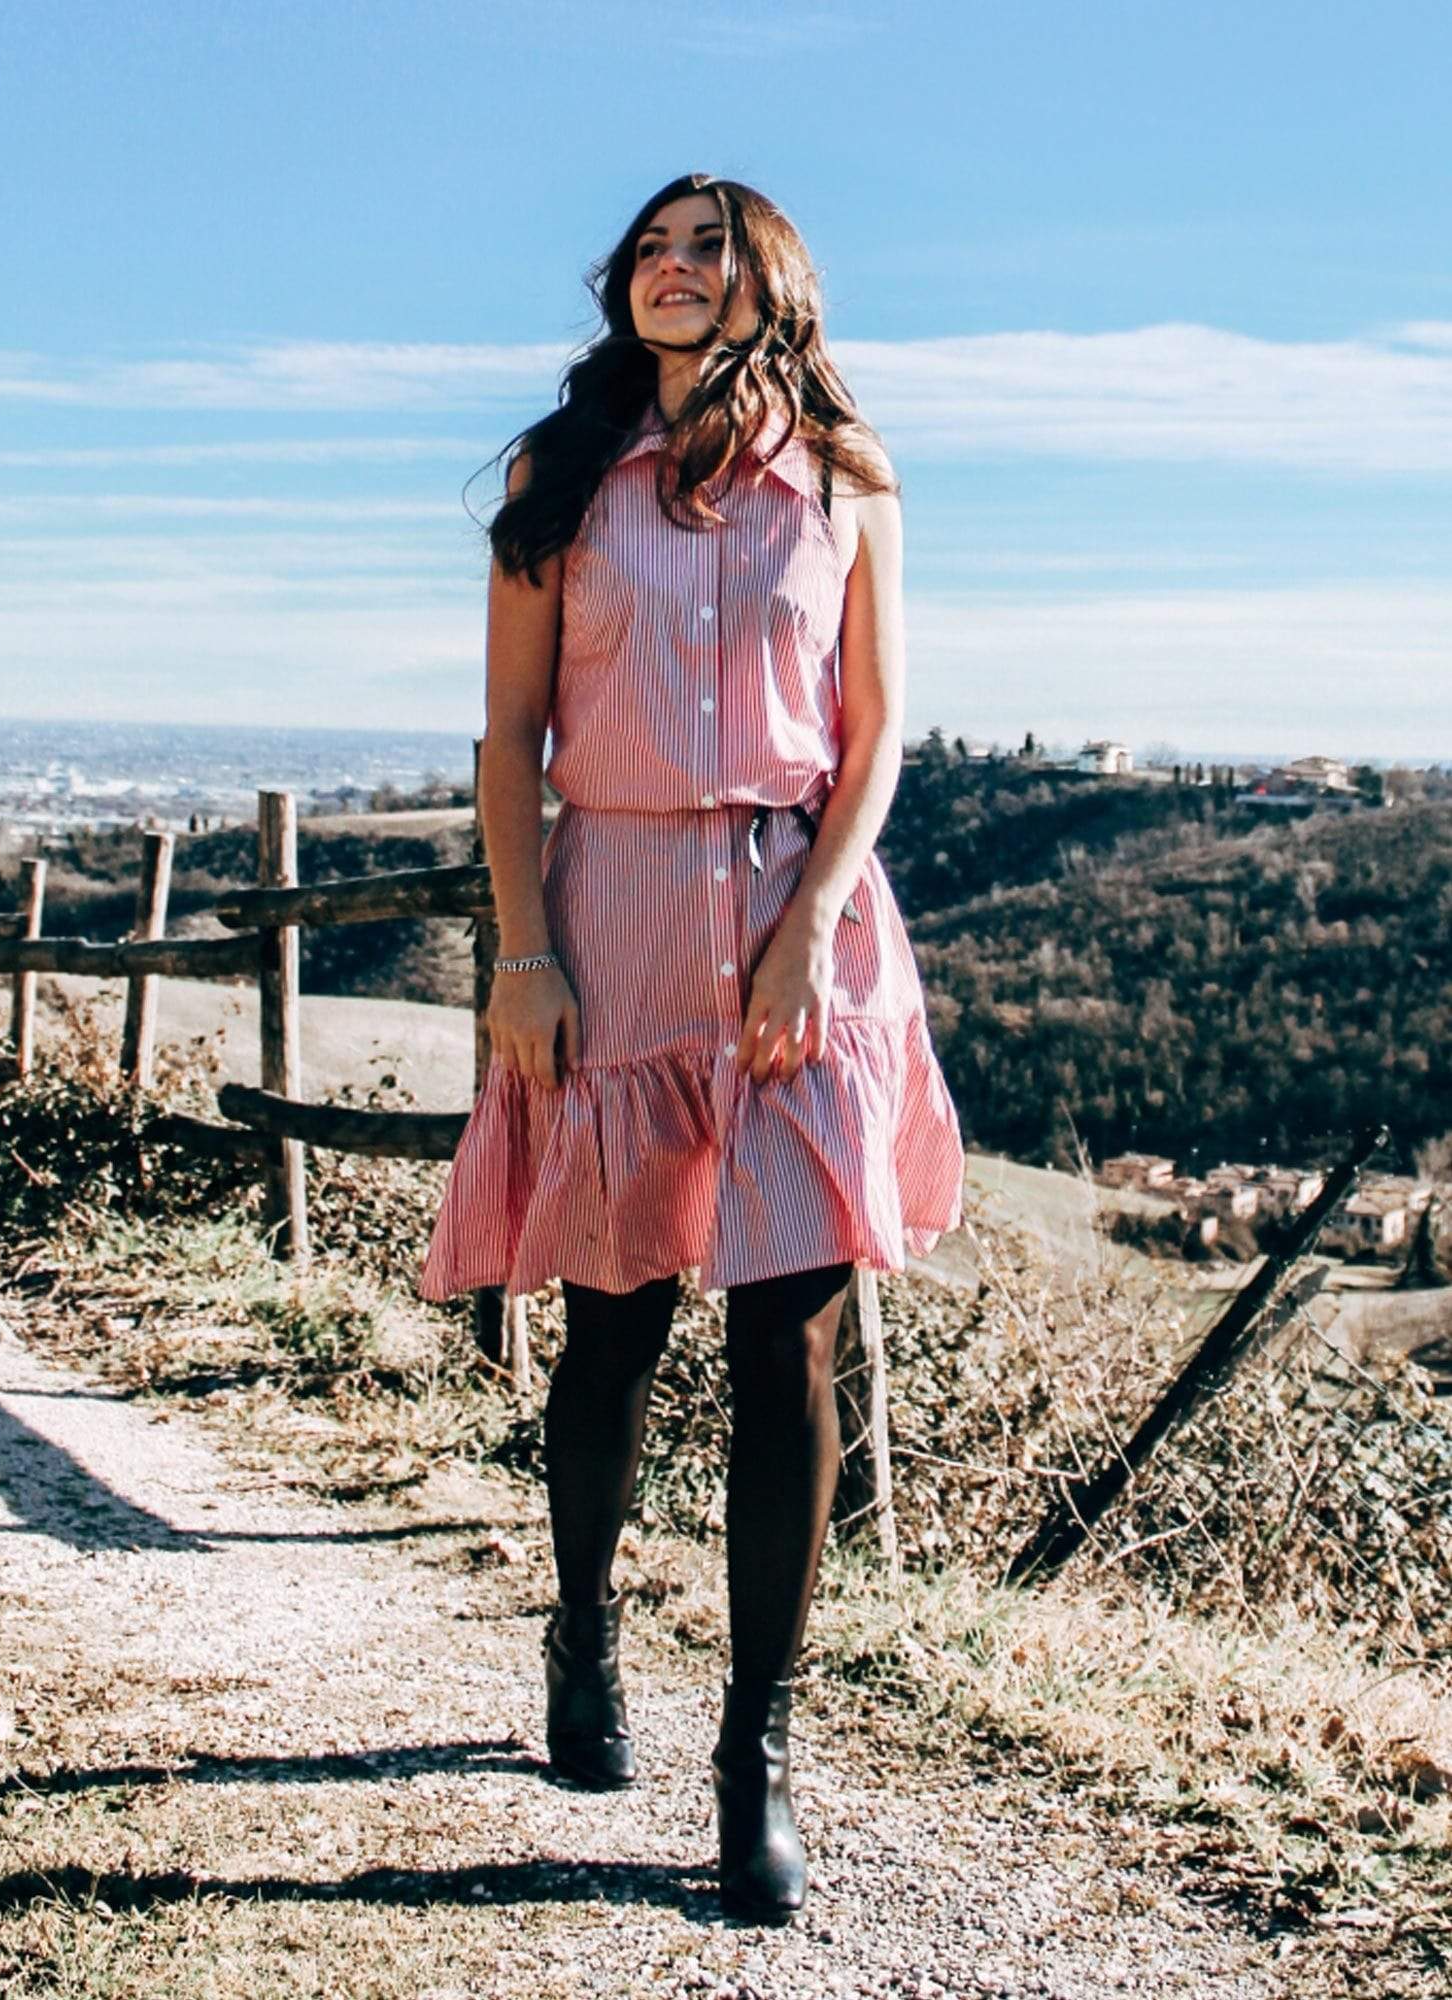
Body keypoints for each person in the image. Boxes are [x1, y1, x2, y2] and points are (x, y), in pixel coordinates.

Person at [419, 172, 965, 1921]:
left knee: (790, 1345)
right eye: (651, 251)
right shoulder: (559, 479)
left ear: (772, 282)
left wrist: (812, 923)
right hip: (619, 919)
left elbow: (874, 738)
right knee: (613, 1323)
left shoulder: (853, 482)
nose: (670, 272)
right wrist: (520, 947)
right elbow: (510, 740)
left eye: (707, 250)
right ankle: (583, 1633)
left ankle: (760, 1751)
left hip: (808, 925)